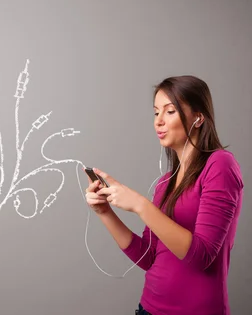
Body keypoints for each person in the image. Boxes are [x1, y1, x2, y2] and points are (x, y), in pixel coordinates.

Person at [84, 75, 243, 315]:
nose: (158, 121)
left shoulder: (220, 164)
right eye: (155, 112)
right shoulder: (164, 184)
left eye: (170, 112)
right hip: (148, 309)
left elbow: (202, 257)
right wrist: (105, 212)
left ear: (198, 118)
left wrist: (140, 205)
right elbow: (148, 258)